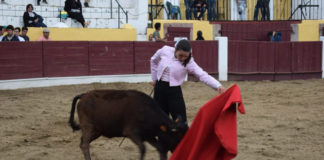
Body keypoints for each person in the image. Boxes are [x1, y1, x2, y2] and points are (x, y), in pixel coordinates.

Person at [150, 39, 226, 123]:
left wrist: (217, 85)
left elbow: (202, 75)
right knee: (160, 121)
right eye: (181, 55)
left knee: (181, 122)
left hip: (174, 92)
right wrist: (155, 78)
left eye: (186, 56)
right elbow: (153, 60)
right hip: (159, 89)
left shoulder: (189, 62)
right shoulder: (165, 50)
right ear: (175, 50)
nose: (183, 58)